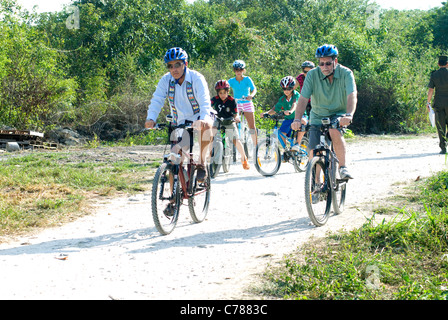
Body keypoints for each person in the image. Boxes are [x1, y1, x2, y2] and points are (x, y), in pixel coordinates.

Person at [145, 47, 214, 182]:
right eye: (170, 66)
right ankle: (173, 199)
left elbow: (205, 102)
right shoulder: (165, 80)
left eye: (177, 64)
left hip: (199, 117)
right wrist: (151, 118)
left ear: (185, 64)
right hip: (179, 121)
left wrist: (203, 119)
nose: (173, 69)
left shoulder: (197, 78)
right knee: (175, 160)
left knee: (207, 126)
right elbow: (157, 99)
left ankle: (201, 164)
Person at [291, 44, 357, 180]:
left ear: (335, 61)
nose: (324, 67)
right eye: (321, 64)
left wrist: (349, 114)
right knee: (314, 150)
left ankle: (342, 167)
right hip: (317, 115)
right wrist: (297, 119)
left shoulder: (346, 73)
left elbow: (352, 95)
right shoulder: (312, 75)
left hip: (339, 113)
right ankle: (315, 182)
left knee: (334, 130)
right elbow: (303, 98)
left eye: (328, 63)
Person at [263, 76, 307, 154]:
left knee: (303, 121)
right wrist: (266, 113)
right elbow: (275, 109)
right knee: (281, 133)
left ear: (293, 88)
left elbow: (295, 104)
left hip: (300, 116)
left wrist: (290, 111)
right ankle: (286, 151)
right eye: (284, 89)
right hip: (289, 118)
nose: (286, 91)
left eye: (289, 89)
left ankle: (297, 143)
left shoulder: (296, 95)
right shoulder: (283, 99)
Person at [211, 80, 250, 170]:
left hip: (229, 121)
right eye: (220, 93)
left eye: (224, 92)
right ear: (218, 93)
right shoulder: (215, 99)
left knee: (235, 140)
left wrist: (236, 118)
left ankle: (244, 158)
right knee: (210, 135)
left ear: (228, 92)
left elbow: (236, 113)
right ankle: (209, 158)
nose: (222, 95)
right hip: (218, 120)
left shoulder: (232, 101)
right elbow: (208, 106)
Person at [228, 60, 258, 146]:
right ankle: (234, 143)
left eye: (240, 70)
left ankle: (256, 146)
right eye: (236, 70)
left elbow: (254, 89)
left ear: (243, 70)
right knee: (234, 123)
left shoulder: (247, 79)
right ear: (234, 70)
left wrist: (251, 95)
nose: (238, 72)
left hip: (247, 103)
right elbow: (225, 88)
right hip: (237, 104)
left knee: (252, 126)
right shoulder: (231, 81)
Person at [427, 55, 448, 154]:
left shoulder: (434, 75)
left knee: (440, 125)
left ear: (438, 64)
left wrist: (428, 102)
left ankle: (443, 148)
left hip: (439, 103)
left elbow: (431, 90)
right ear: (447, 64)